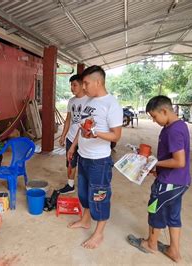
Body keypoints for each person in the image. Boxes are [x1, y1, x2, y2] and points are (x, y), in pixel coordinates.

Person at [127, 95, 191, 263]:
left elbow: (179, 161)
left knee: (155, 210)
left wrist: (153, 163)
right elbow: (175, 159)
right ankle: (174, 251)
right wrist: (158, 168)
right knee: (173, 214)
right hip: (179, 182)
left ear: (164, 110)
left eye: (155, 116)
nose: (155, 121)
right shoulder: (179, 125)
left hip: (168, 183)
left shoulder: (173, 131)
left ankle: (151, 244)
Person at [67, 65, 122, 249]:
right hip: (83, 155)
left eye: (86, 83)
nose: (84, 87)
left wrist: (97, 133)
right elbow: (82, 127)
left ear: (98, 82)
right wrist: (73, 147)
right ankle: (85, 220)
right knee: (83, 193)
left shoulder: (111, 104)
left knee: (99, 195)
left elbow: (116, 135)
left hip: (99, 160)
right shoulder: (89, 102)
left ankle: (99, 234)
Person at [58, 74, 89, 194]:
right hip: (71, 137)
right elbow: (68, 120)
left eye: (75, 85)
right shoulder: (71, 101)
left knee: (86, 163)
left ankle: (86, 185)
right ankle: (70, 185)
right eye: (71, 85)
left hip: (85, 138)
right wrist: (63, 136)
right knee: (70, 161)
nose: (72, 88)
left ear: (82, 85)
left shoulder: (90, 100)